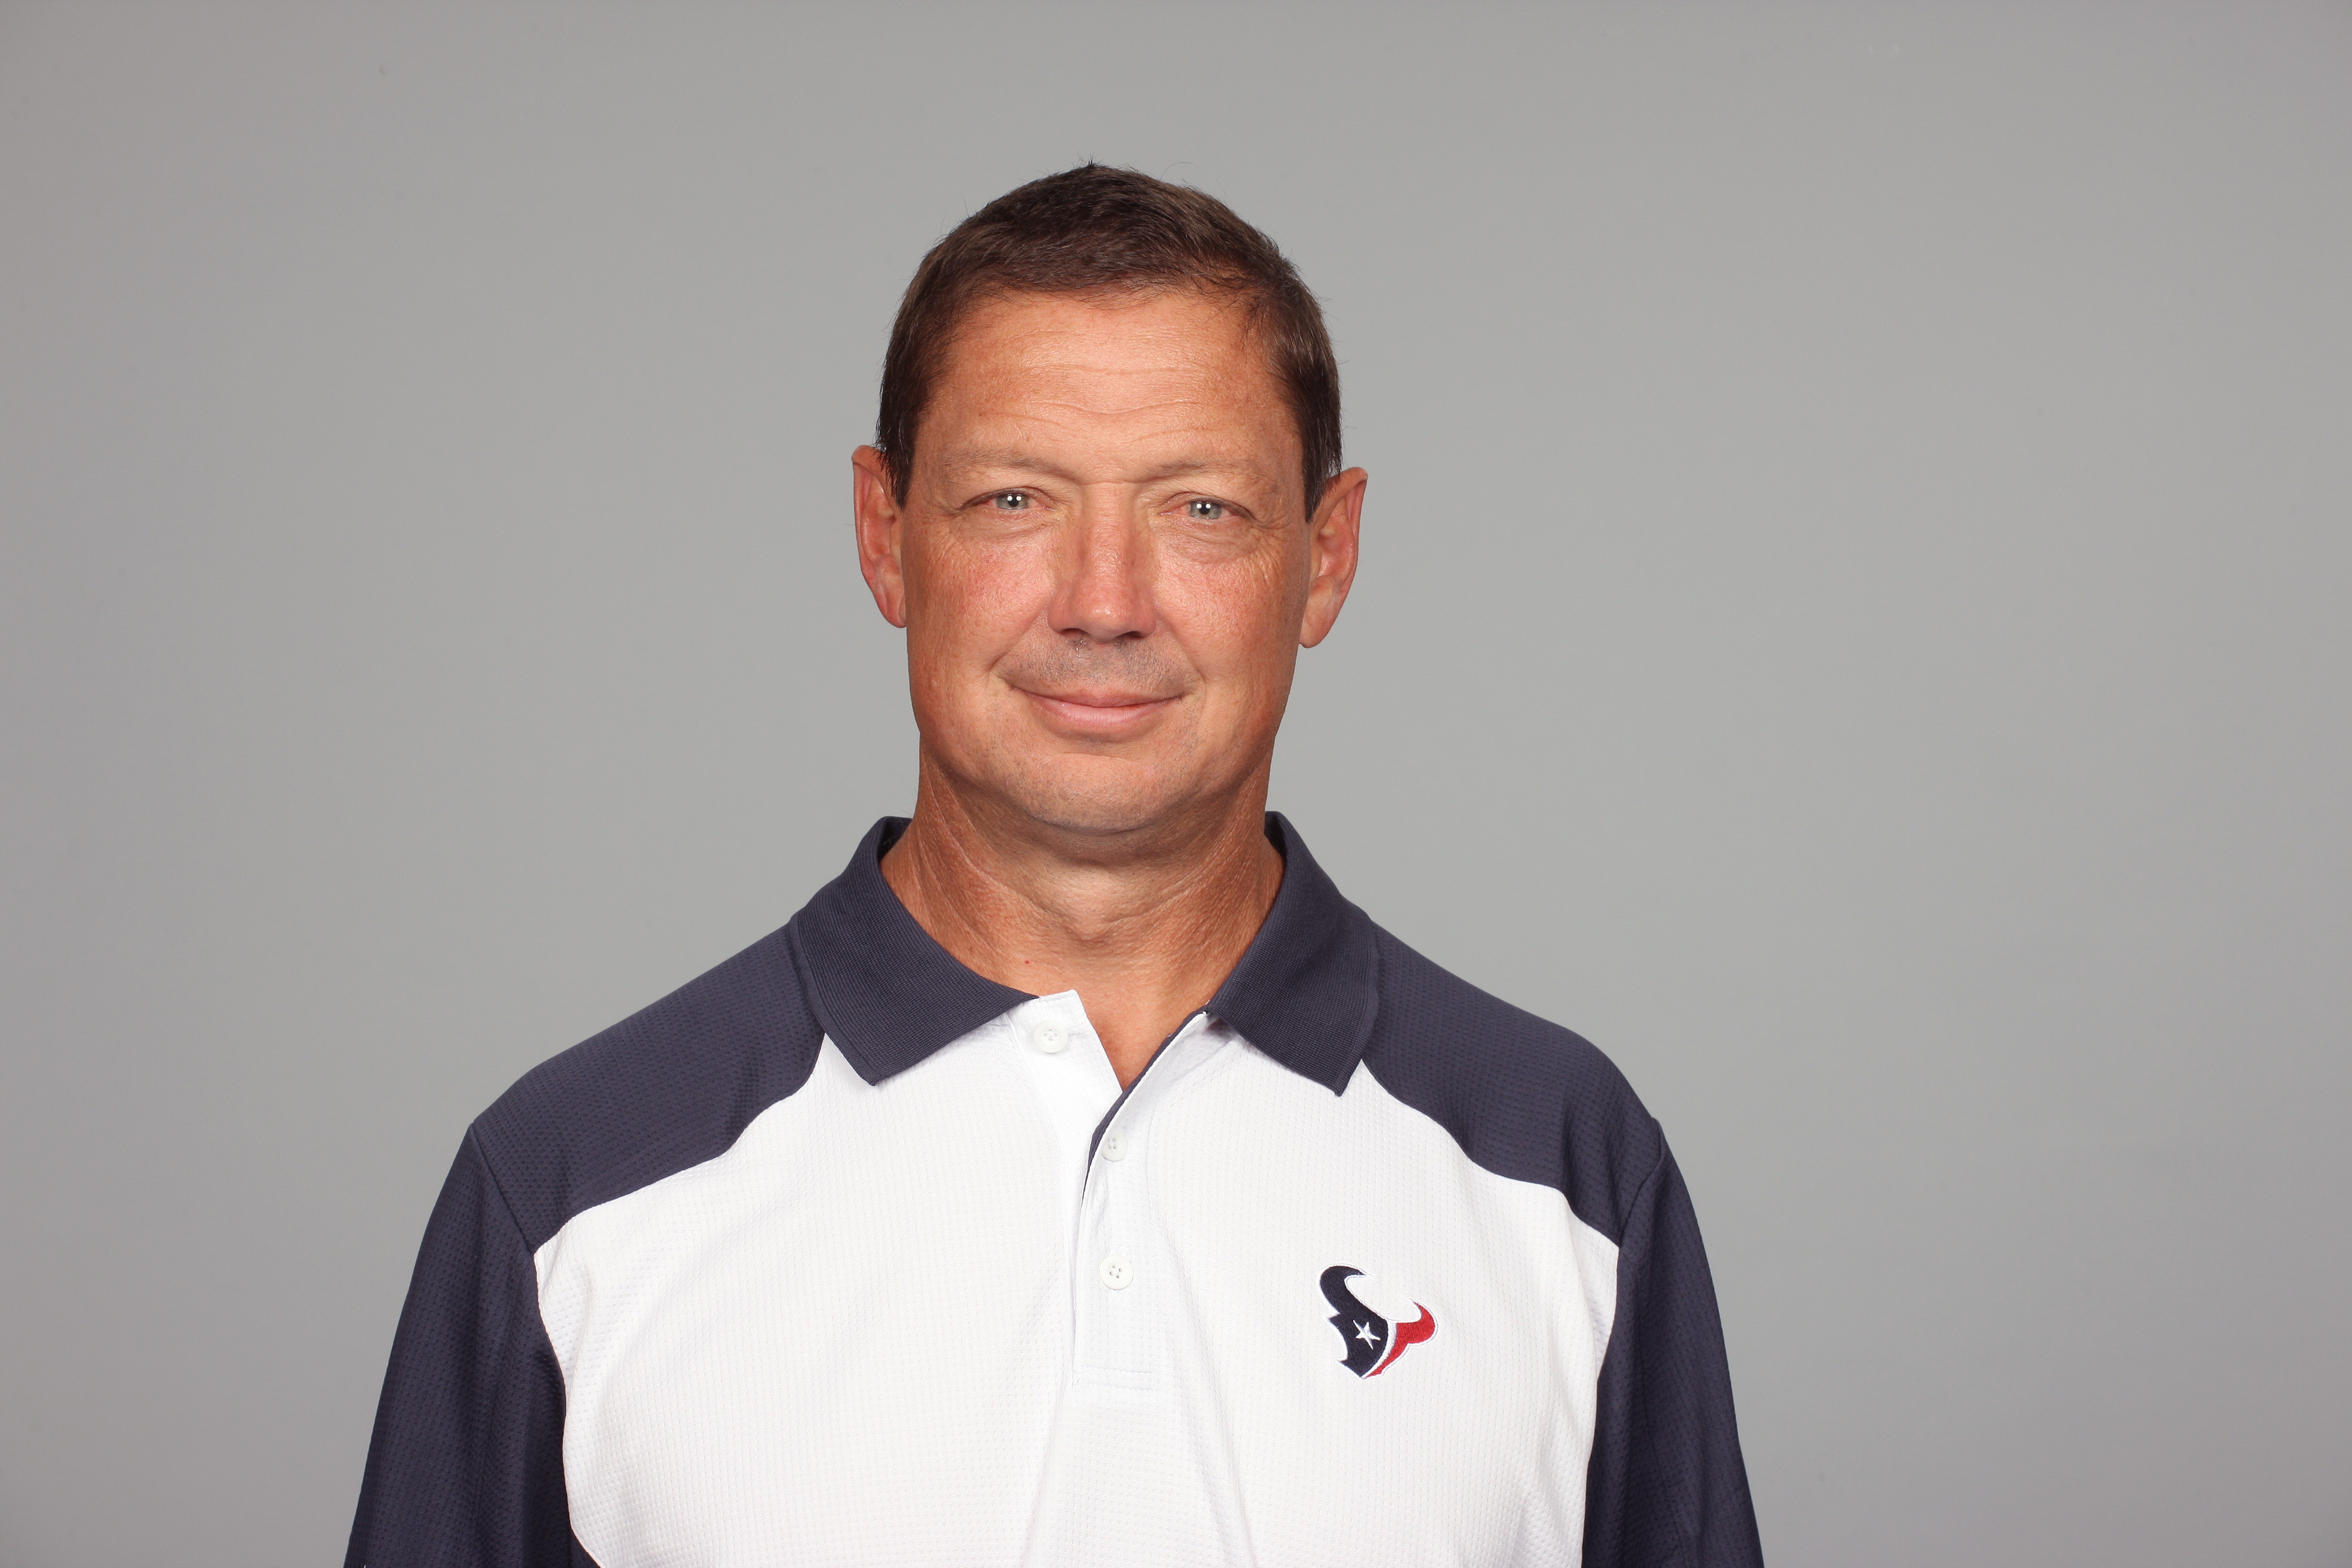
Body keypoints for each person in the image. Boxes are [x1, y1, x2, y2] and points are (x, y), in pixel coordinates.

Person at [346, 164, 1764, 1568]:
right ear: (884, 537)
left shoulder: (1565, 1170)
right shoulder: (574, 1187)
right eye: (1015, 499)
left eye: (1200, 508)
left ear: (1326, 559)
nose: (1104, 602)